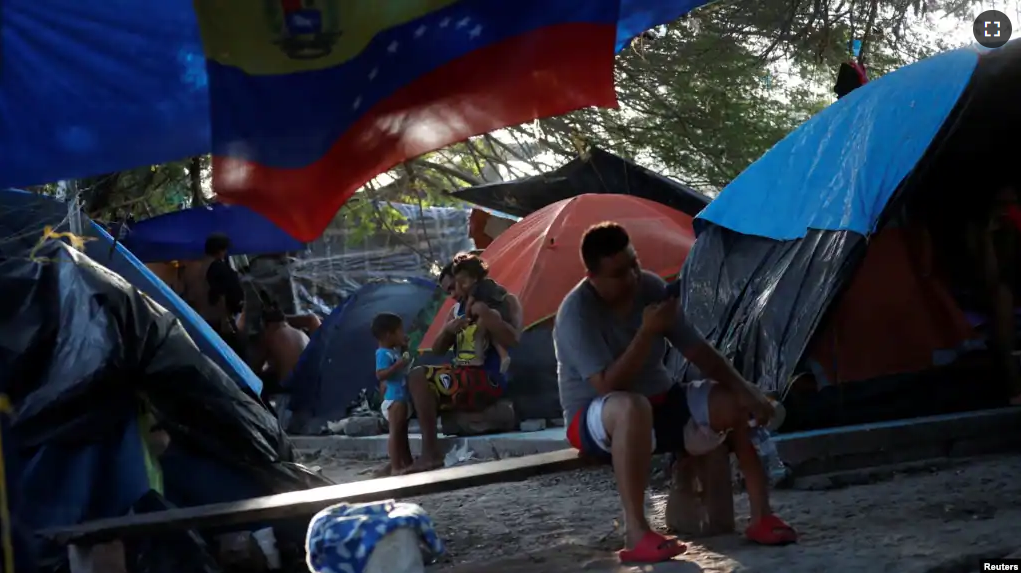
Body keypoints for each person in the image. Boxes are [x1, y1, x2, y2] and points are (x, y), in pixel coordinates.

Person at [554, 222, 796, 564]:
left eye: (634, 263)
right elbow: (608, 385)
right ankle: (636, 531)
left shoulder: (651, 287)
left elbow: (698, 350)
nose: (633, 277)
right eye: (620, 273)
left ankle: (761, 516)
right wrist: (647, 332)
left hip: (660, 403)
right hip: (596, 416)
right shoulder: (575, 312)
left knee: (731, 401)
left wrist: (745, 389)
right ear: (593, 277)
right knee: (630, 405)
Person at [403, 255, 523, 473]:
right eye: (449, 291)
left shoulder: (504, 300)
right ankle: (401, 458)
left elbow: (513, 341)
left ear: (470, 279)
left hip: (488, 379)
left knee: (419, 377)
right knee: (405, 386)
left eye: (455, 286)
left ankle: (431, 454)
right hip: (462, 376)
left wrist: (486, 315)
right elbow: (438, 350)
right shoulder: (456, 311)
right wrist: (448, 331)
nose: (454, 294)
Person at [181, 233, 246, 354]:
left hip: (201, 317)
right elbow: (220, 294)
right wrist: (225, 319)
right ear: (220, 250)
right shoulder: (217, 267)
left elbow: (189, 295)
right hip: (218, 319)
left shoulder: (193, 267)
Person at [451, 254, 513, 373]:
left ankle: (477, 358)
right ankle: (504, 355)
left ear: (474, 278)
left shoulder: (475, 288)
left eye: (463, 282)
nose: (462, 287)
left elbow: (470, 304)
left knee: (477, 333)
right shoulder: (490, 283)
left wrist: (468, 317)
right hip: (502, 312)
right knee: (493, 335)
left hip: (491, 313)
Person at [372, 312, 414, 475]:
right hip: (394, 398)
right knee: (395, 433)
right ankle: (396, 466)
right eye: (400, 331)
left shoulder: (394, 351)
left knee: (403, 433)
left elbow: (405, 360)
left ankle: (407, 462)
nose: (403, 334)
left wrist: (405, 348)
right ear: (389, 334)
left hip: (402, 396)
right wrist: (397, 366)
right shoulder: (382, 353)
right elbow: (380, 374)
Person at [249, 307, 310, 396]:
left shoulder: (271, 335)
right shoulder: (301, 333)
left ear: (268, 325)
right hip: (308, 385)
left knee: (254, 383)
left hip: (289, 388)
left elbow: (256, 367)